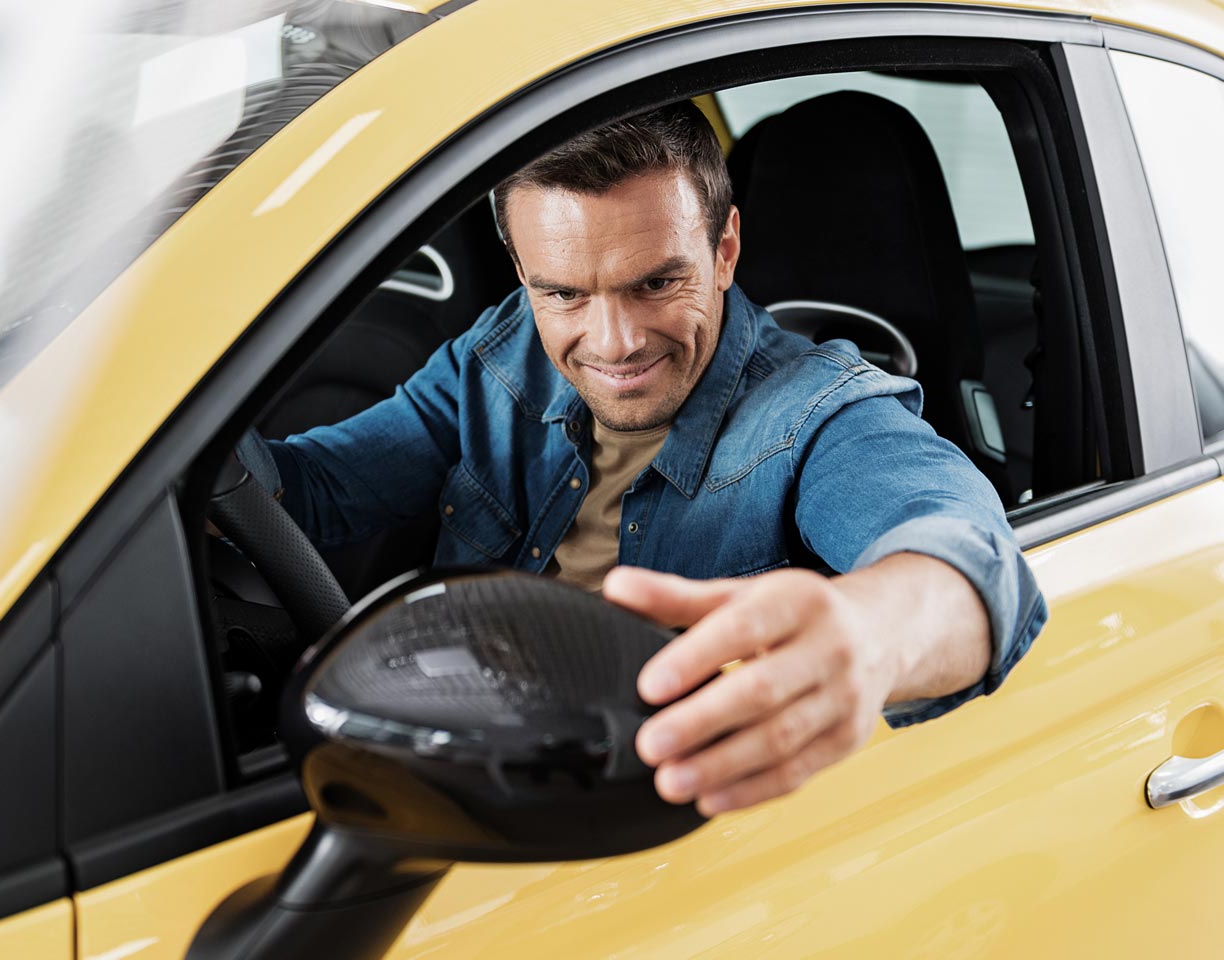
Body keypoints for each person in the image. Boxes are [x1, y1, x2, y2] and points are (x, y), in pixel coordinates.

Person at [237, 102, 1047, 817]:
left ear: (725, 248)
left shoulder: (817, 413)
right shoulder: (501, 354)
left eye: (657, 283)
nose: (614, 342)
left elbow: (966, 554)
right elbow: (309, 493)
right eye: (563, 294)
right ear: (523, 273)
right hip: (451, 770)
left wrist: (871, 635)